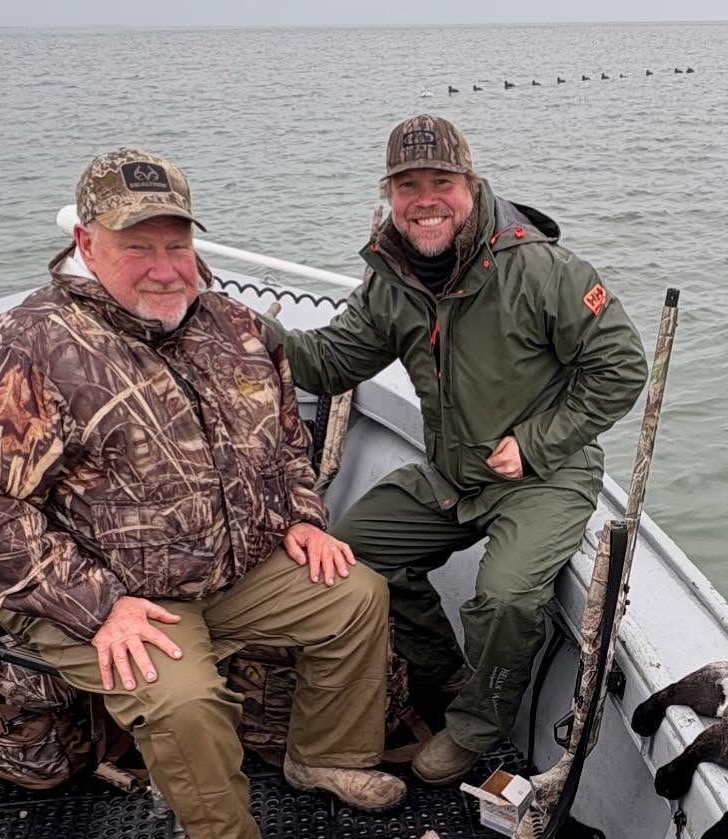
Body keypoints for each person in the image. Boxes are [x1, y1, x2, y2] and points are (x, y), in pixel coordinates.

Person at [0, 148, 405, 839]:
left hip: (234, 566)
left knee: (355, 597)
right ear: (85, 244)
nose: (164, 267)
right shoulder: (27, 343)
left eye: (176, 244)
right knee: (184, 697)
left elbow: (285, 444)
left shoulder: (237, 327)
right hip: (104, 594)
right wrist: (99, 605)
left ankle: (324, 755)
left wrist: (303, 519)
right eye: (135, 246)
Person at [266, 115, 648, 786]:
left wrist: (534, 443)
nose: (425, 199)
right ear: (389, 194)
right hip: (452, 472)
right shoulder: (393, 278)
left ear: (469, 184)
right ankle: (443, 673)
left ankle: (477, 723)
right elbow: (328, 363)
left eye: (440, 181)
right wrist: (245, 330)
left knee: (504, 598)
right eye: (407, 185)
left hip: (545, 474)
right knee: (356, 554)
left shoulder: (542, 269)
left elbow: (619, 367)